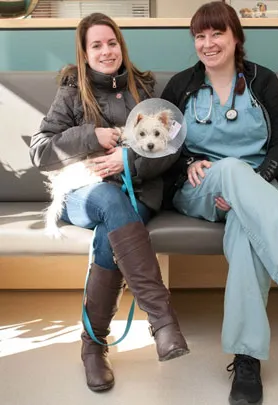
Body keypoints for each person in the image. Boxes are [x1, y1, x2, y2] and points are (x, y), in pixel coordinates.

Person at [161, 2, 278, 404]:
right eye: (200, 36)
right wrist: (188, 161)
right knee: (230, 169)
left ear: (235, 37)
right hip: (202, 188)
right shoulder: (182, 87)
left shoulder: (264, 81)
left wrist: (251, 183)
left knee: (245, 227)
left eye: (216, 33)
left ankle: (246, 360)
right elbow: (164, 149)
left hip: (262, 185)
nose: (207, 43)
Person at [29, 12, 189, 393]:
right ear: (84, 53)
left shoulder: (145, 90)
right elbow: (40, 152)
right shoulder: (71, 91)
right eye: (96, 45)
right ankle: (163, 322)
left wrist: (128, 161)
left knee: (108, 232)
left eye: (112, 42)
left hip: (136, 193)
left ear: (122, 45)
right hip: (83, 193)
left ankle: (93, 347)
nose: (106, 51)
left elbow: (171, 149)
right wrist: (90, 137)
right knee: (107, 197)